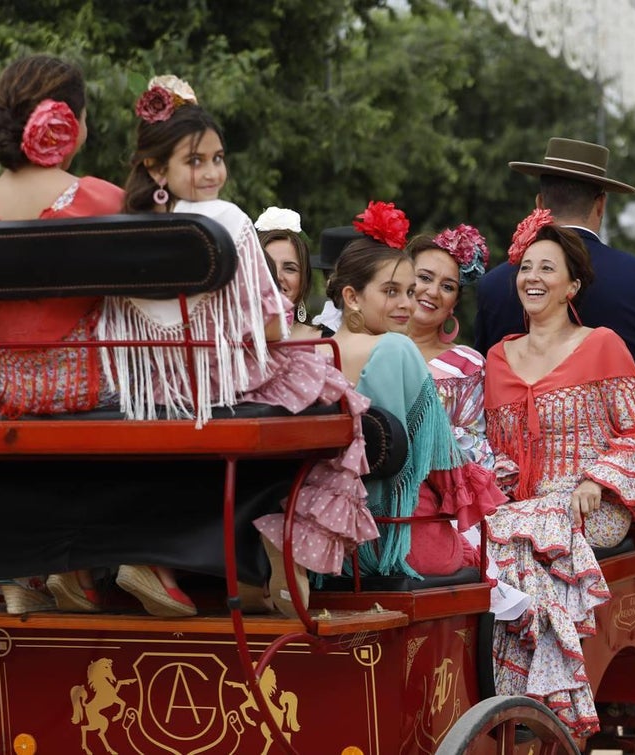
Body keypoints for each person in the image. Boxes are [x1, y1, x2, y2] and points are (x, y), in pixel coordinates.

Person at [102, 78, 371, 617]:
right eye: (195, 161)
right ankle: (287, 550)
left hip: (149, 389)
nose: (211, 173)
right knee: (343, 407)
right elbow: (272, 327)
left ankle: (221, 556)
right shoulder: (224, 218)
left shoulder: (125, 227)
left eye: (217, 159)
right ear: (158, 169)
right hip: (221, 384)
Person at [483, 210, 635, 737]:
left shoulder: (602, 343)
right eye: (525, 268)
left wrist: (598, 479)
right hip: (521, 510)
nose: (532, 278)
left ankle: (546, 695)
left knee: (521, 536)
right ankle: (504, 689)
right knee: (487, 535)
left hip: (593, 506)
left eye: (547, 268)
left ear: (572, 285)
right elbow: (495, 447)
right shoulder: (497, 356)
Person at [256, 202, 503, 601]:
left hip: (324, 540)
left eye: (408, 291)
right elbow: (441, 464)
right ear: (352, 297)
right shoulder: (395, 348)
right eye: (391, 292)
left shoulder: (313, 350)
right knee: (487, 563)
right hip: (394, 537)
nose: (407, 303)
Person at [0, 54, 124, 614]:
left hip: (6, 395)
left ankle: (22, 571)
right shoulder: (101, 201)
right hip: (92, 396)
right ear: (66, 123)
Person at [474, 137, 635, 466]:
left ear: (539, 203)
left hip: (515, 460)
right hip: (619, 458)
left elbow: (486, 383)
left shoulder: (496, 284)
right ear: (601, 205)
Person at [406, 225, 494, 468]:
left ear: (454, 303)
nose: (433, 292)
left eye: (447, 287)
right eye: (424, 277)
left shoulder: (468, 364)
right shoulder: (369, 346)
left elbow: (478, 449)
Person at [255, 206, 322, 340]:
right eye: (267, 266)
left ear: (304, 279)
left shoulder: (325, 340)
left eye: (290, 268)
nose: (277, 276)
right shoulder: (229, 339)